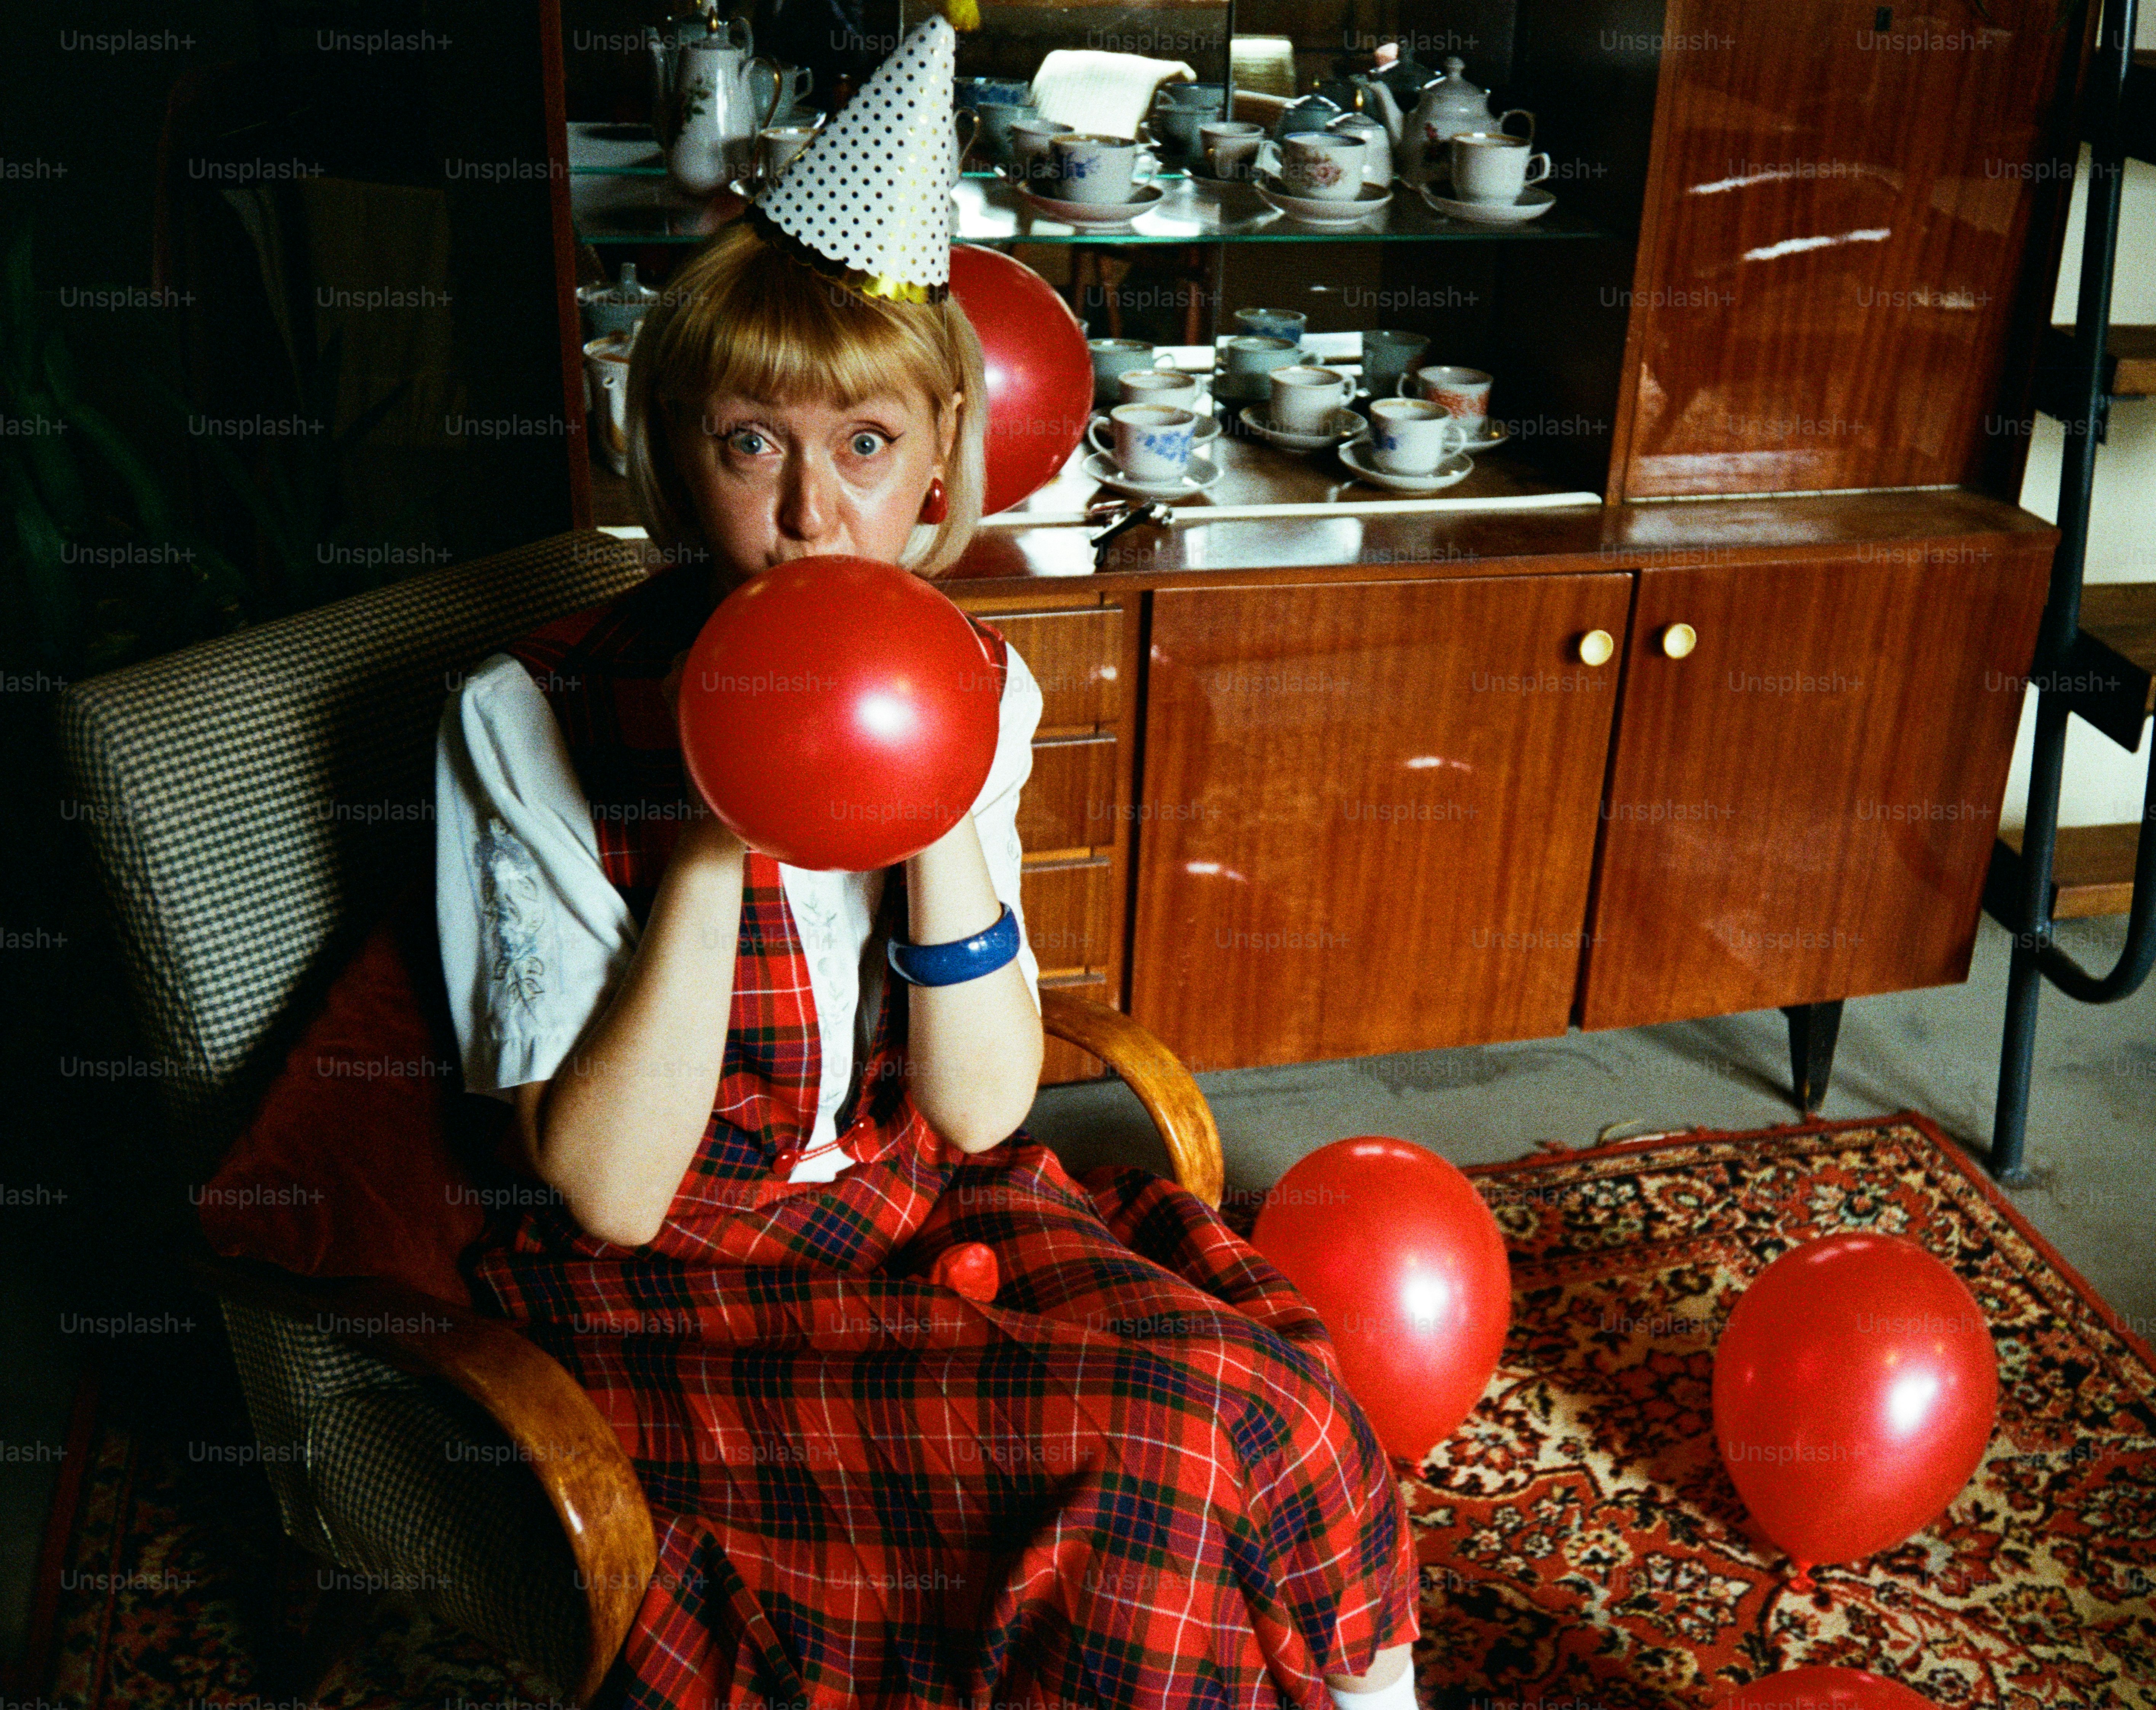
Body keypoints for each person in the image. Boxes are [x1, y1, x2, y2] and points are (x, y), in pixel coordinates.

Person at [428, 19, 1422, 1708]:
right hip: (679, 1302)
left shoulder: (977, 687)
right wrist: (721, 809)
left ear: (942, 453)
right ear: (682, 453)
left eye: (866, 446)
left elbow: (975, 1117)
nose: (812, 515)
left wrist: (940, 787)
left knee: (1279, 1405)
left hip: (911, 1204)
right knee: (1162, 1461)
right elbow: (602, 1191)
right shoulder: (521, 718)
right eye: (753, 443)